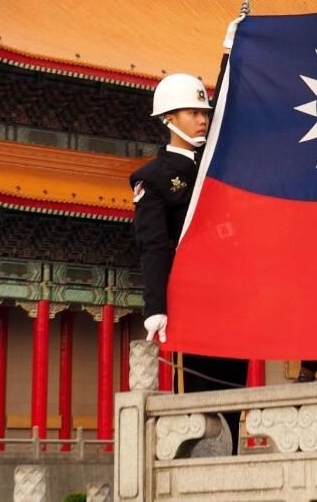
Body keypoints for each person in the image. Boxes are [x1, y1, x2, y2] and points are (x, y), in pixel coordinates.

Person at [131, 72, 248, 448]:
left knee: (234, 397)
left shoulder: (218, 168)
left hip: (231, 299)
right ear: (168, 119)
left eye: (204, 112)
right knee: (201, 402)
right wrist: (156, 306)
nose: (202, 119)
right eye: (191, 112)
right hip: (194, 303)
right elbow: (154, 245)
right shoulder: (153, 178)